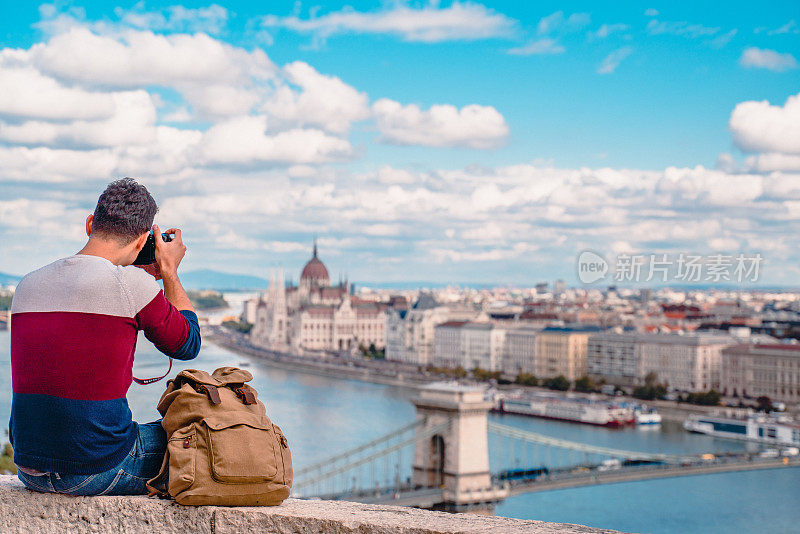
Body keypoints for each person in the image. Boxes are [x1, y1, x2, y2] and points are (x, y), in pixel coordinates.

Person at [9, 178, 201, 495]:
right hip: (95, 469)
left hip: (30, 469)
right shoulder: (132, 285)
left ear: (89, 224)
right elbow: (188, 343)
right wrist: (169, 270)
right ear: (143, 242)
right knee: (192, 430)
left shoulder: (27, 284)